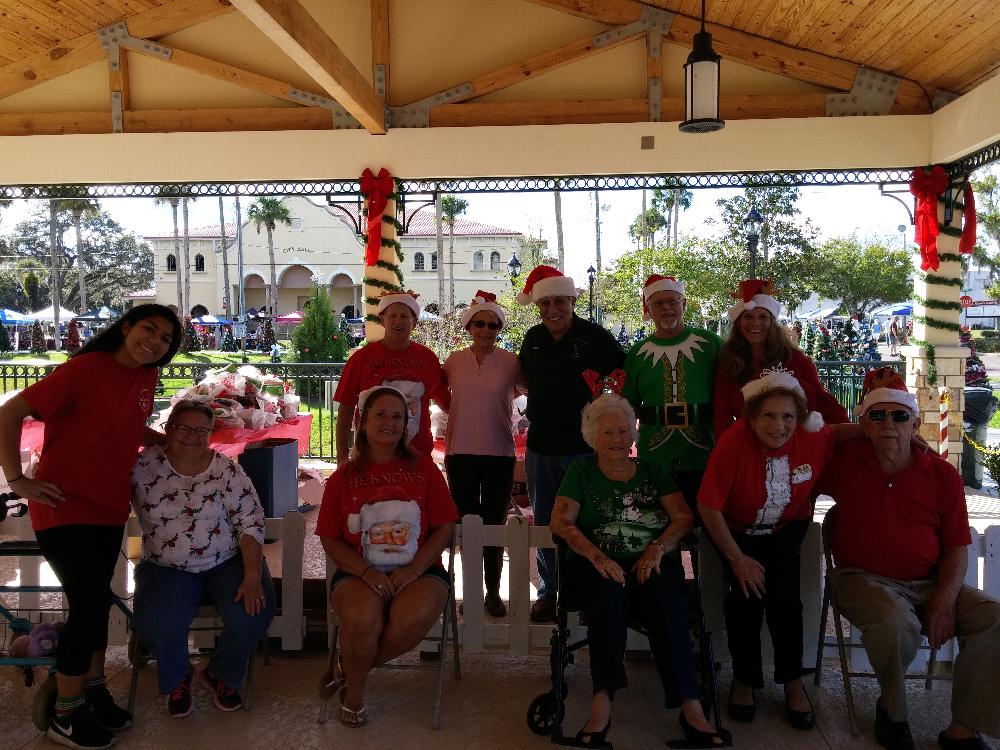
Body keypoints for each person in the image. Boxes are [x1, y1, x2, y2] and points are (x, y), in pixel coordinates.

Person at [0, 304, 181, 750]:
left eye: (165, 340)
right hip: (63, 506)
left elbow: (129, 428)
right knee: (86, 605)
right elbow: (7, 413)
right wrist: (18, 479)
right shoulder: (83, 370)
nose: (155, 342)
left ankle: (93, 691)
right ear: (126, 328)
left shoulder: (146, 376)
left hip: (108, 507)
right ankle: (65, 713)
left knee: (97, 603)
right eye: (149, 330)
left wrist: (181, 439)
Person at [817, 367, 1000, 750]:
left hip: (931, 580)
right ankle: (893, 710)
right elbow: (806, 443)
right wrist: (852, 430)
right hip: (860, 579)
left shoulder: (941, 476)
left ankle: (963, 728)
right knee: (894, 621)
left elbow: (955, 547)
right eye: (877, 416)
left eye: (899, 416)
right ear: (863, 422)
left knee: (993, 617)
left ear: (915, 423)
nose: (889, 424)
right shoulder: (844, 462)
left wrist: (945, 601)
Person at [551, 393, 727, 749]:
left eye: (623, 431)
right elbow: (561, 522)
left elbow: (683, 517)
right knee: (607, 595)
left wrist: (657, 548)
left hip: (652, 561)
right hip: (598, 566)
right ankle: (602, 701)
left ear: (633, 434)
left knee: (668, 599)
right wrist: (597, 556)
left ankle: (691, 706)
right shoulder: (581, 471)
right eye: (608, 433)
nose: (617, 439)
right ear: (592, 437)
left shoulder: (652, 470)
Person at [698, 366, 858, 731]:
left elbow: (841, 432)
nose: (778, 425)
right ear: (752, 417)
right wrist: (737, 558)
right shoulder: (733, 442)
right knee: (744, 602)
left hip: (786, 530)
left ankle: (792, 681)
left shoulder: (812, 437)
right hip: (735, 531)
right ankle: (745, 679)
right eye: (768, 415)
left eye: (788, 416)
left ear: (800, 418)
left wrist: (892, 428)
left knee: (786, 602)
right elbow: (708, 505)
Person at [316, 385, 458, 727]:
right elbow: (331, 539)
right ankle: (354, 695)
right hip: (357, 572)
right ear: (362, 422)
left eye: (398, 416)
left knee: (410, 619)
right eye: (381, 414)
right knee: (363, 619)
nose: (390, 423)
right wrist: (366, 573)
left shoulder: (425, 471)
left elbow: (444, 526)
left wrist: (414, 569)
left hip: (420, 572)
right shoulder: (342, 479)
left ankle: (347, 673)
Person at [130, 400, 275, 718]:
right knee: (155, 620)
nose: (192, 436)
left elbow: (250, 521)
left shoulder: (225, 469)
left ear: (211, 433)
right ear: (167, 430)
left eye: (201, 430)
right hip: (166, 565)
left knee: (252, 612)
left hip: (226, 559)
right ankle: (179, 676)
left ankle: (220, 673)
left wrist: (252, 577)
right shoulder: (142, 466)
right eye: (183, 427)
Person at [517, 265, 624, 623]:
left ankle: (587, 588)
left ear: (572, 300)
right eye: (545, 303)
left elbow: (621, 376)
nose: (552, 310)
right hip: (541, 447)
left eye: (560, 301)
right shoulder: (532, 338)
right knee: (546, 519)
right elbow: (523, 380)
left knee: (588, 520)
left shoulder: (596, 337)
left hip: (584, 448)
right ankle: (550, 591)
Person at [443, 291, 521, 618]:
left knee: (494, 524)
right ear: (469, 325)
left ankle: (492, 592)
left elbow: (540, 390)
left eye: (493, 324)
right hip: (459, 452)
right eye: (480, 323)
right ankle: (470, 592)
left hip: (499, 453)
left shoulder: (511, 362)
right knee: (467, 525)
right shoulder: (453, 362)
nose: (486, 329)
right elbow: (437, 394)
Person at [621, 275, 722, 513]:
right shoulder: (638, 353)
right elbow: (627, 405)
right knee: (660, 529)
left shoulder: (711, 344)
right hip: (654, 458)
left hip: (704, 455)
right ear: (649, 309)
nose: (666, 308)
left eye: (672, 301)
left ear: (684, 305)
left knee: (706, 531)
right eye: (658, 303)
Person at [713, 279, 849, 439]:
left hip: (793, 445)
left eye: (763, 317)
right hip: (748, 446)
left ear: (772, 322)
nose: (755, 323)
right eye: (748, 317)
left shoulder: (794, 358)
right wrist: (726, 450)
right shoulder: (729, 361)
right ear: (739, 323)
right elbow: (721, 413)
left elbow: (822, 401)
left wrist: (849, 431)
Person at [334, 290, 447, 461]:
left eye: (404, 316)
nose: (398, 320)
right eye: (392, 315)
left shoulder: (428, 358)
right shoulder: (361, 359)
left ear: (414, 322)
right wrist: (342, 458)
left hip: (417, 457)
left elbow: (447, 404)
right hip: (370, 458)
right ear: (382, 320)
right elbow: (345, 410)